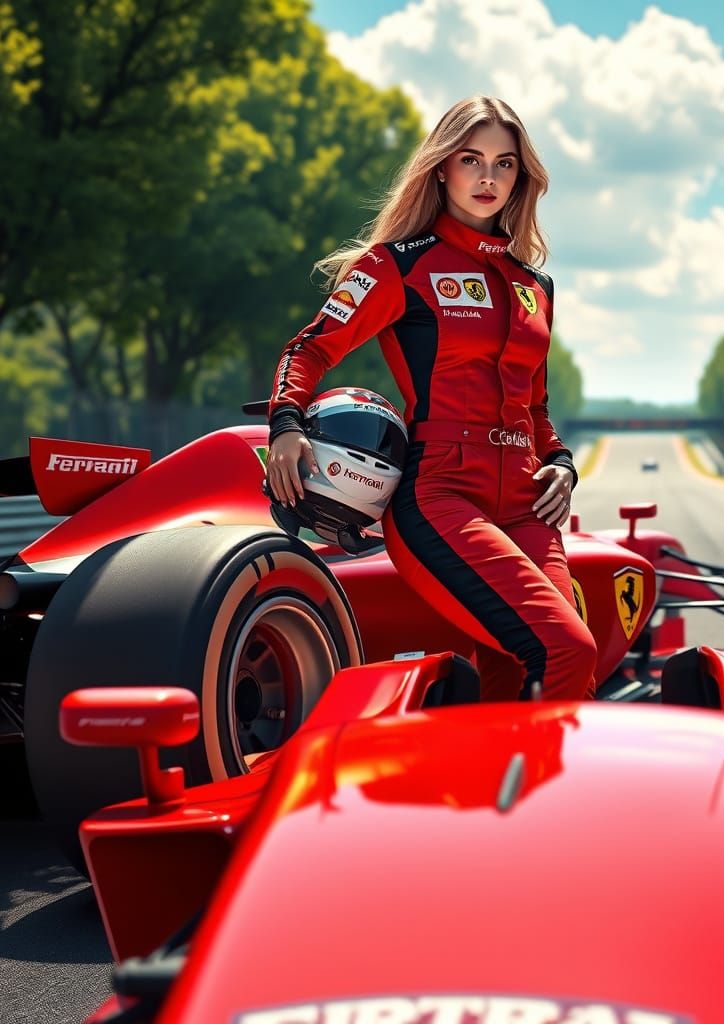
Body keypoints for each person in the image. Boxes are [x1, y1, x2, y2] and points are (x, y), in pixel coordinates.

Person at [266, 95, 597, 702]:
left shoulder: (535, 287)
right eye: (472, 159)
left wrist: (562, 464)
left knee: (524, 672)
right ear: (442, 167)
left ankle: (506, 794)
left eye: (504, 163)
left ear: (521, 177)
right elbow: (308, 349)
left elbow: (536, 408)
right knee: (567, 650)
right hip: (442, 495)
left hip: (529, 504)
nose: (488, 177)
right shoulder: (396, 265)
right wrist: (285, 423)